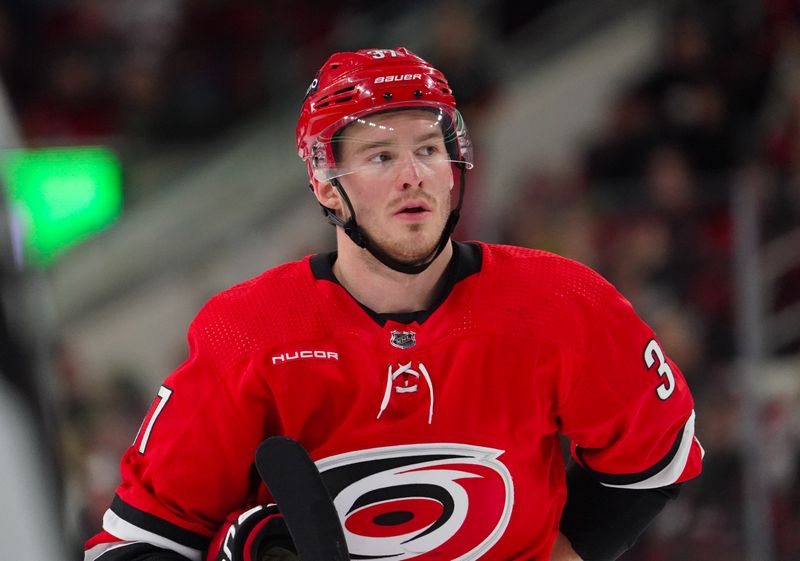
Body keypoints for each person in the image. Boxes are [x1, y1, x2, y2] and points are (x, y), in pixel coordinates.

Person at [84, 47, 703, 561]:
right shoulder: (248, 335)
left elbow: (658, 455)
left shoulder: (561, 303)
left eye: (429, 150)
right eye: (382, 156)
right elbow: (138, 543)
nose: (414, 175)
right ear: (326, 184)